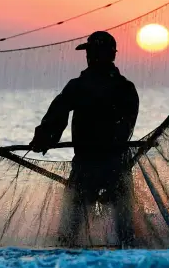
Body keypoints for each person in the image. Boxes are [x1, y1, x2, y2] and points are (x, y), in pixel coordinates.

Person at [30, 30, 139, 219]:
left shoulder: (122, 88)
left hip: (109, 164)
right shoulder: (80, 86)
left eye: (96, 52)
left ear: (110, 55)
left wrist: (46, 136)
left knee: (116, 228)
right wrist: (44, 137)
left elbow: (127, 124)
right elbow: (57, 114)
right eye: (89, 53)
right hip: (91, 164)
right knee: (77, 226)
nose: (90, 57)